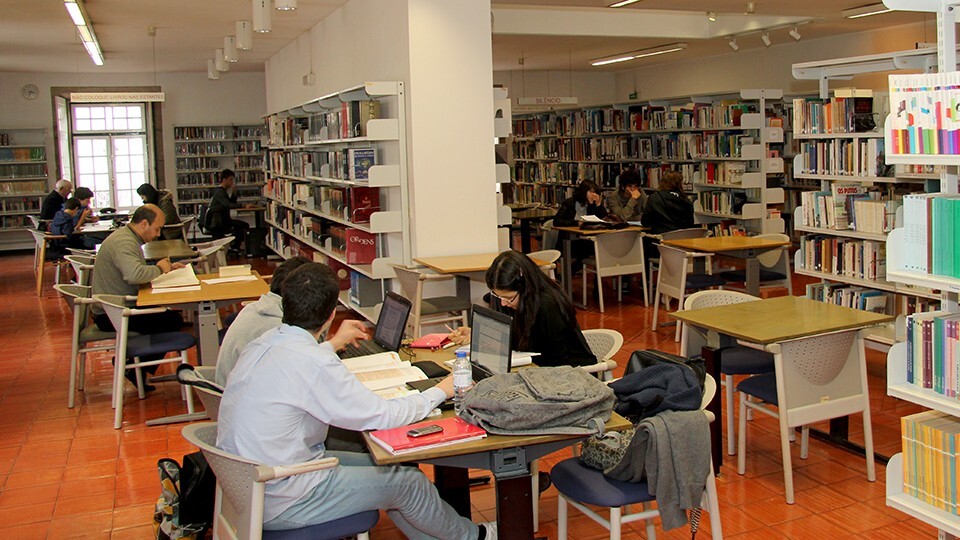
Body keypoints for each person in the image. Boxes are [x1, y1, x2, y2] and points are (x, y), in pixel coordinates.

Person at [217, 263, 495, 539]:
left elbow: (300, 364)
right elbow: (382, 416)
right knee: (409, 483)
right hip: (286, 496)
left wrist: (333, 344)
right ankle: (477, 537)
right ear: (331, 314)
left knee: (394, 471)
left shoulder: (265, 342)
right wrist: (440, 391)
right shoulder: (313, 363)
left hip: (253, 486)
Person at [449, 250, 597, 368]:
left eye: (509, 298)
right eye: (497, 295)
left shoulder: (549, 305)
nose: (503, 303)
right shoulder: (508, 299)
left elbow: (556, 359)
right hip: (535, 368)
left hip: (572, 373)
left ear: (526, 288)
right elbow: (514, 337)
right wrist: (477, 335)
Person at [91, 204, 185, 389]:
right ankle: (133, 366)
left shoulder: (127, 238)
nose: (158, 234)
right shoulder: (124, 243)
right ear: (144, 224)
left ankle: (136, 365)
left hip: (116, 306)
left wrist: (165, 269)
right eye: (157, 229)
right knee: (171, 321)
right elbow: (134, 275)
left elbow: (134, 270)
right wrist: (159, 269)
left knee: (166, 317)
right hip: (112, 313)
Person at [214, 256, 311, 387]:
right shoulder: (279, 328)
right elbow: (305, 373)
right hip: (245, 395)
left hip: (232, 390)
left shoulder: (253, 308)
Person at [552, 179, 609, 269]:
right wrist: (576, 223)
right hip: (569, 240)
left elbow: (604, 220)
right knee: (588, 250)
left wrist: (598, 205)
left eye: (595, 192)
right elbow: (557, 221)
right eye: (591, 192)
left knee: (602, 246)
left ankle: (598, 275)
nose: (594, 195)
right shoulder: (569, 203)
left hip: (586, 240)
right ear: (584, 192)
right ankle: (572, 270)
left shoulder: (591, 205)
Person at [206, 168, 249, 253]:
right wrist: (244, 205)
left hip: (222, 221)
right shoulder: (220, 192)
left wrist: (234, 193)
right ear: (224, 180)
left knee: (242, 226)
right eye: (230, 180)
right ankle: (233, 245)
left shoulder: (223, 191)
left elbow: (231, 203)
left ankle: (232, 244)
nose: (232, 182)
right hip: (219, 223)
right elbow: (228, 205)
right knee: (244, 226)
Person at [642, 171, 694, 235]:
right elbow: (690, 224)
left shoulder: (654, 198)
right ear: (679, 184)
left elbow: (645, 222)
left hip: (660, 238)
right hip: (682, 238)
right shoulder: (686, 201)